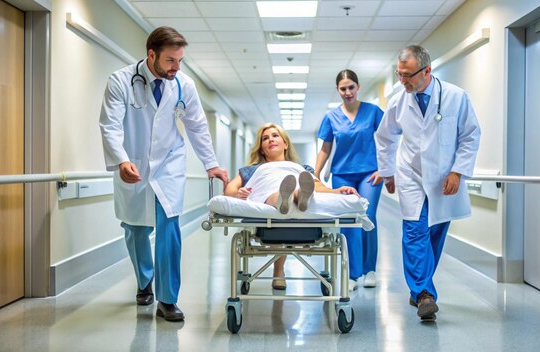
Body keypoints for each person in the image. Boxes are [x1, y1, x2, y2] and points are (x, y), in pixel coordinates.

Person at [99, 26, 228, 322]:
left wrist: (211, 164)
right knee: (135, 229)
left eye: (180, 61)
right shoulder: (120, 81)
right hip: (133, 163)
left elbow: (196, 126)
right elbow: (110, 125)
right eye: (171, 60)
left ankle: (167, 299)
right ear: (151, 54)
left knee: (169, 227)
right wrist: (120, 160)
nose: (176, 68)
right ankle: (144, 279)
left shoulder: (184, 85)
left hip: (169, 164)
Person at [375, 45, 481, 322]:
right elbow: (384, 137)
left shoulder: (456, 97)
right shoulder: (399, 101)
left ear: (427, 71)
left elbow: (470, 135)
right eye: (399, 75)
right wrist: (388, 173)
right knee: (415, 230)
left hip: (444, 177)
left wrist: (458, 171)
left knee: (435, 232)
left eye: (407, 75)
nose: (402, 81)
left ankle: (418, 288)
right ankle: (424, 294)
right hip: (410, 174)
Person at [225, 123, 359, 290]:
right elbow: (230, 189)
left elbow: (319, 187)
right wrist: (238, 194)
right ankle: (286, 198)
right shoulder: (251, 170)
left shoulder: (302, 169)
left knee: (298, 186)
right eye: (265, 138)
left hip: (295, 201)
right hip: (269, 198)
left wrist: (337, 191)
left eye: (275, 136)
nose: (270, 140)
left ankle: (299, 196)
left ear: (285, 143)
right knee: (275, 194)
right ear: (261, 149)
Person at [315, 69, 385, 291]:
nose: (347, 92)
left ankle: (370, 269)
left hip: (370, 173)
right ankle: (353, 273)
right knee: (348, 220)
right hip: (342, 174)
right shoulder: (331, 117)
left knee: (367, 215)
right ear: (337, 90)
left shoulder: (373, 112)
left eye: (351, 87)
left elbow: (387, 141)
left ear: (358, 87)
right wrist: (315, 174)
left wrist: (386, 168)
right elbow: (325, 149)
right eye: (343, 89)